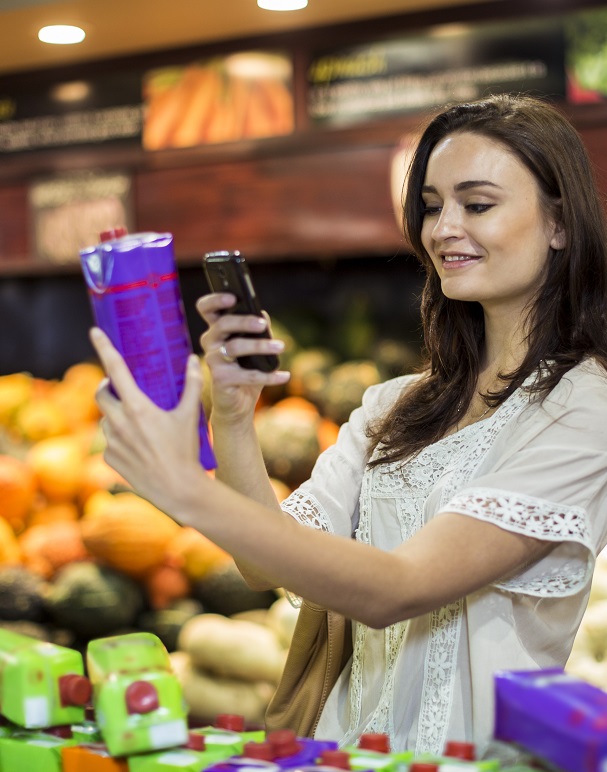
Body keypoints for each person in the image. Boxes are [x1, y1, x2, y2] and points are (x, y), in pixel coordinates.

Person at [90, 93, 607, 760]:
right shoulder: (394, 406)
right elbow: (262, 561)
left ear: (559, 224)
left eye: (476, 204)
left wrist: (186, 488)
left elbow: (398, 588)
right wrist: (233, 416)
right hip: (342, 753)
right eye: (430, 205)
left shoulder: (583, 408)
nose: (443, 227)